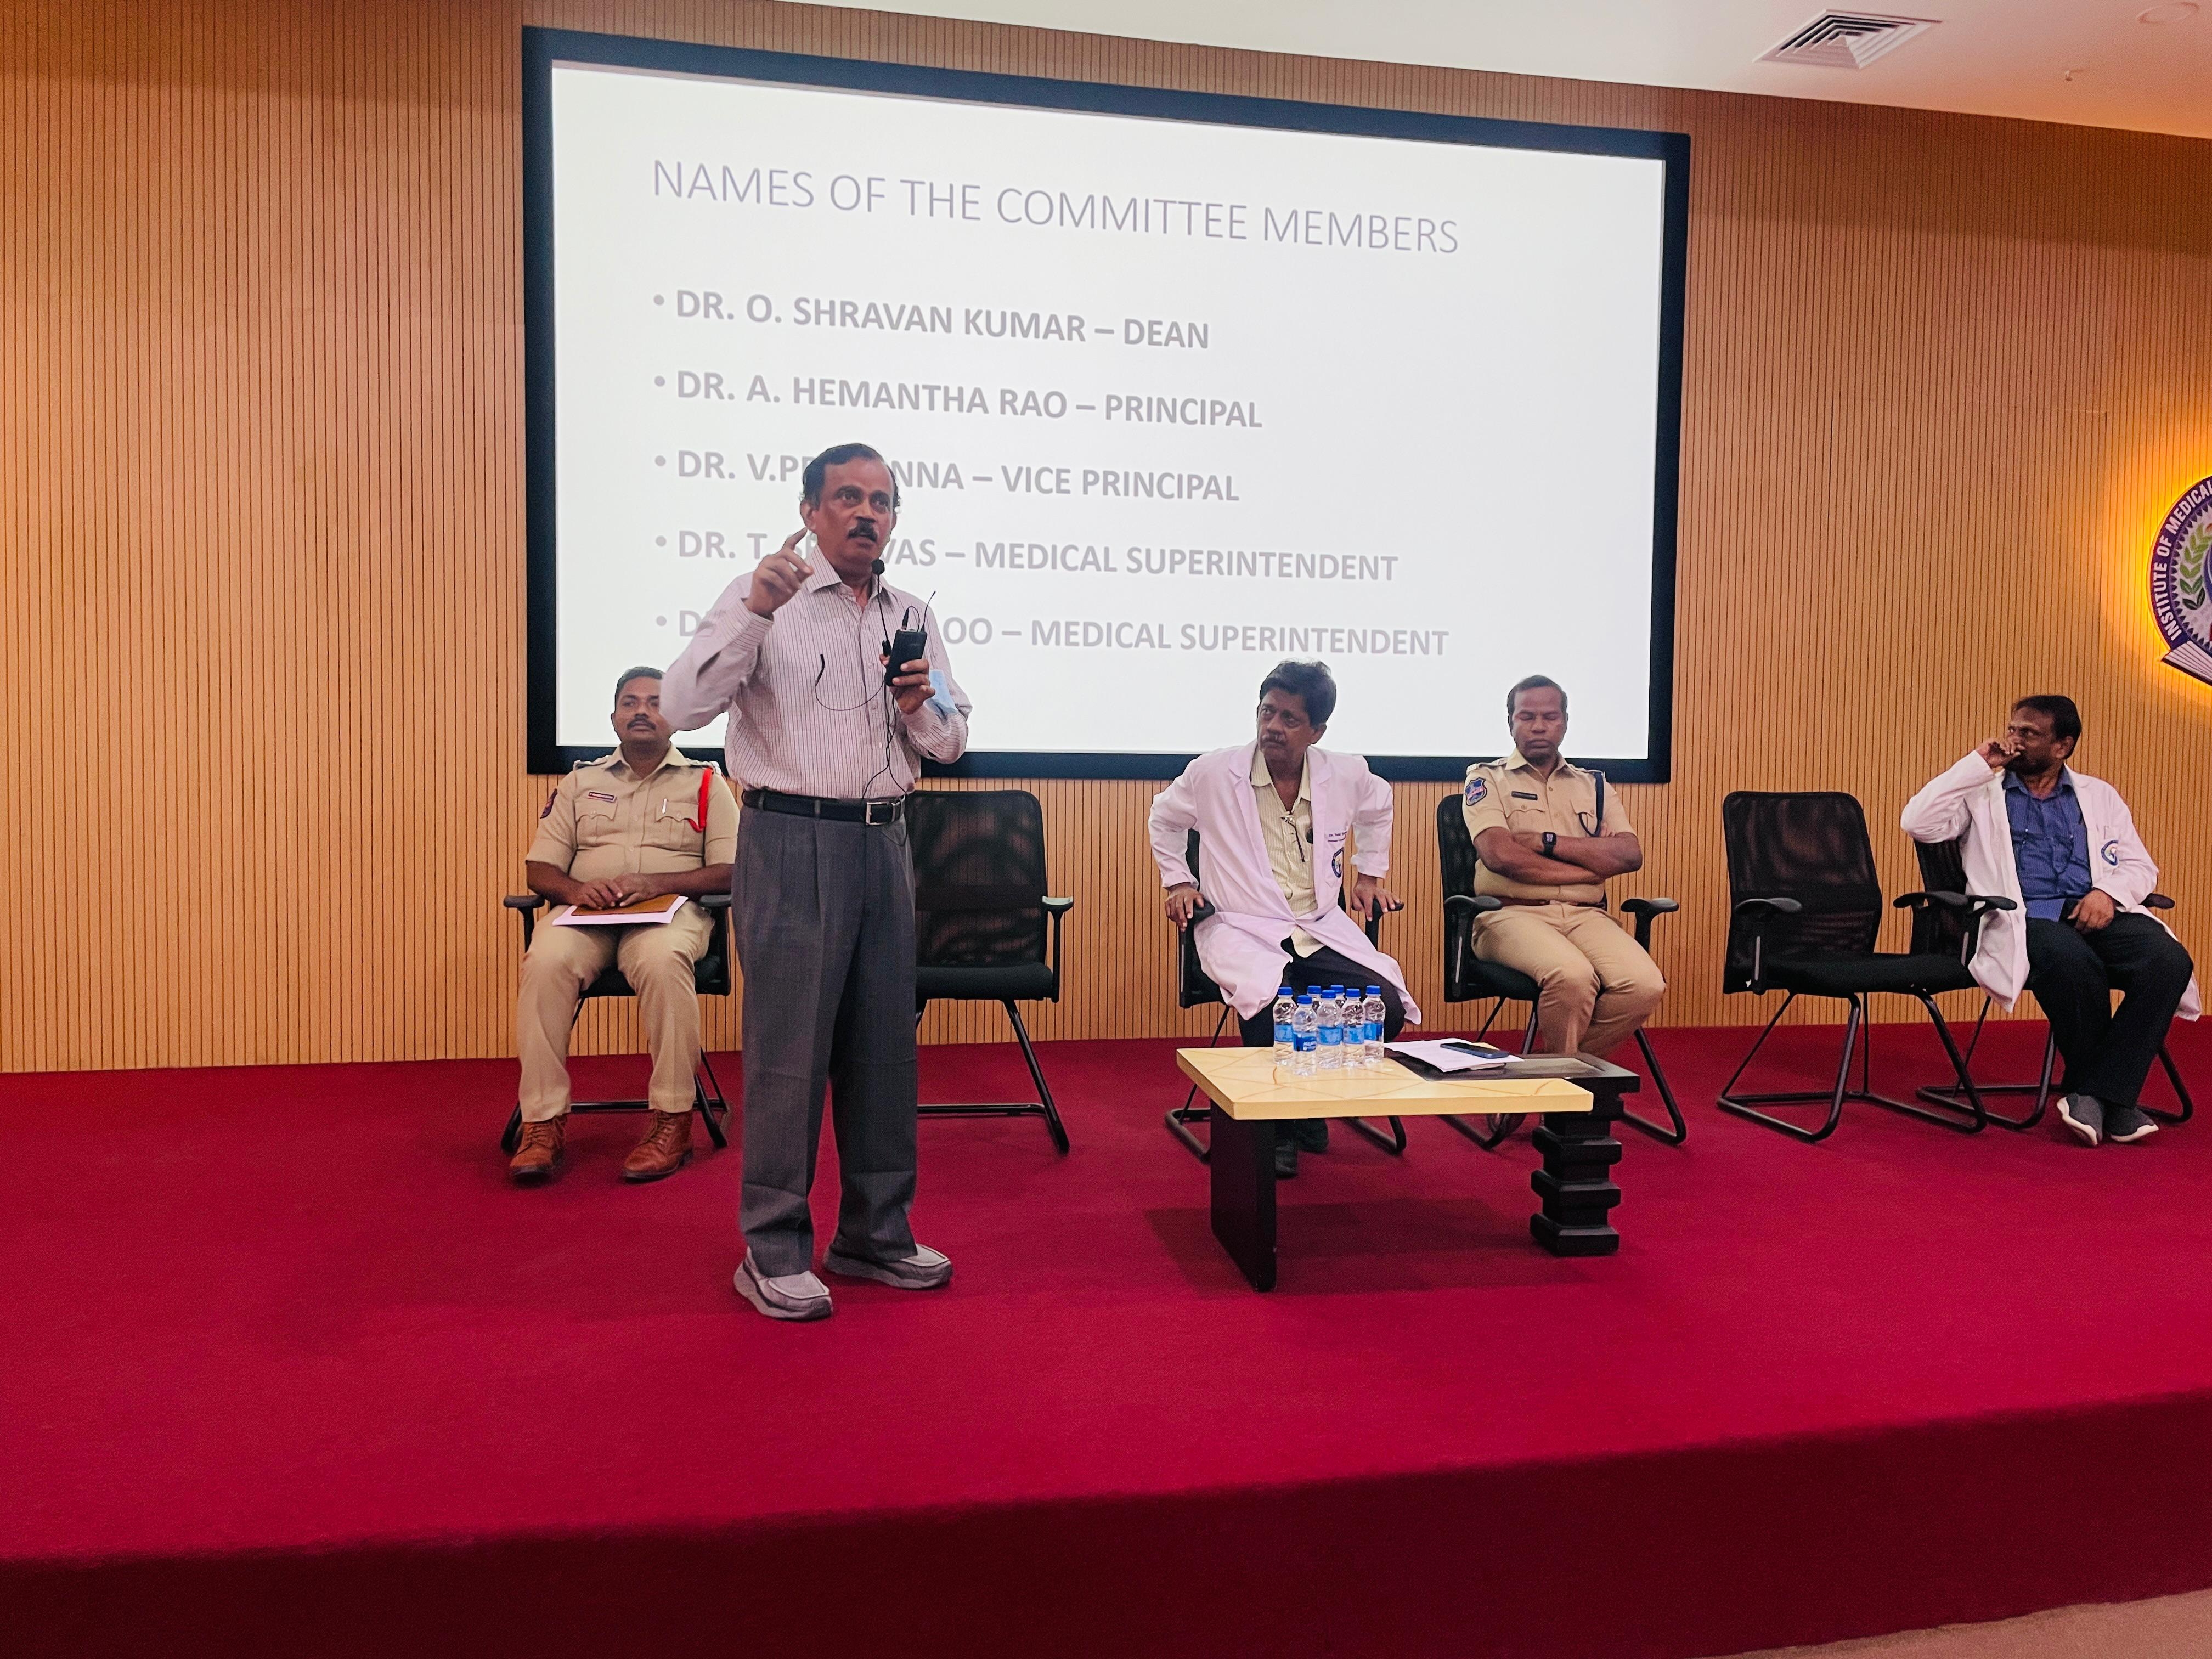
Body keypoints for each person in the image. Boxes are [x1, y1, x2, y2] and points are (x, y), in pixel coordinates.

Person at [661, 442, 970, 1321]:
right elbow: (680, 706)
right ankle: (772, 1247)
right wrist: (754, 616)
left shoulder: (912, 613)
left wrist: (920, 708)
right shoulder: (763, 598)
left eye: (881, 501)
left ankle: (874, 1233)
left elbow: (953, 741)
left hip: (886, 844)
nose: (867, 513)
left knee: (884, 1053)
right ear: (810, 511)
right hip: (790, 839)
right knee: (789, 1055)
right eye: (847, 497)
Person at [1148, 660, 1418, 1178]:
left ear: (1317, 731)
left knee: (1382, 1007)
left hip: (1317, 924)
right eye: (1267, 712)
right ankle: (1278, 1128)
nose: (1272, 726)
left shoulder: (1346, 774)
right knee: (1275, 1004)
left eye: (1290, 719)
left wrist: (1369, 875)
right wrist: (1179, 882)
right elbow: (1164, 817)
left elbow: (1379, 806)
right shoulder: (1213, 772)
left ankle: (1309, 1103)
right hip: (1240, 925)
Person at [1901, 695, 2198, 1147]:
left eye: (2029, 733)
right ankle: (2112, 1099)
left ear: (2063, 746)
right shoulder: (1981, 794)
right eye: (2013, 729)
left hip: (2093, 910)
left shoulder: (2098, 795)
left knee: (2168, 961)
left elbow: (2140, 867)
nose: (2015, 740)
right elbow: (1917, 822)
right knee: (2072, 960)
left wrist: (2108, 894)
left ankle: (2097, 1094)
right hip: (2022, 917)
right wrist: (1976, 764)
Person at [510, 667, 737, 1184]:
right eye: (630, 703)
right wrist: (574, 890)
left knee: (662, 961)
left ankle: (672, 1120)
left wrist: (656, 882)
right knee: (545, 960)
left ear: (676, 717)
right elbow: (539, 869)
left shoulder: (707, 783)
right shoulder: (579, 782)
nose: (642, 712)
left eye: (655, 702)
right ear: (613, 718)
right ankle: (542, 1123)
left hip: (669, 917)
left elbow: (731, 869)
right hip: (586, 918)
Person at [1459, 675, 1664, 1058]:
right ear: (1510, 722)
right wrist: (1588, 869)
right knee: (1572, 977)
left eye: (1550, 717)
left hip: (1586, 916)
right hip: (1511, 916)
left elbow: (1629, 856)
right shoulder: (1487, 779)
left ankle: (1554, 1069)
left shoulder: (1594, 785)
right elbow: (1502, 857)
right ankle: (1565, 1083)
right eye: (1527, 717)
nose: (1539, 726)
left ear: (1565, 722)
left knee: (1645, 985)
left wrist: (1546, 842)